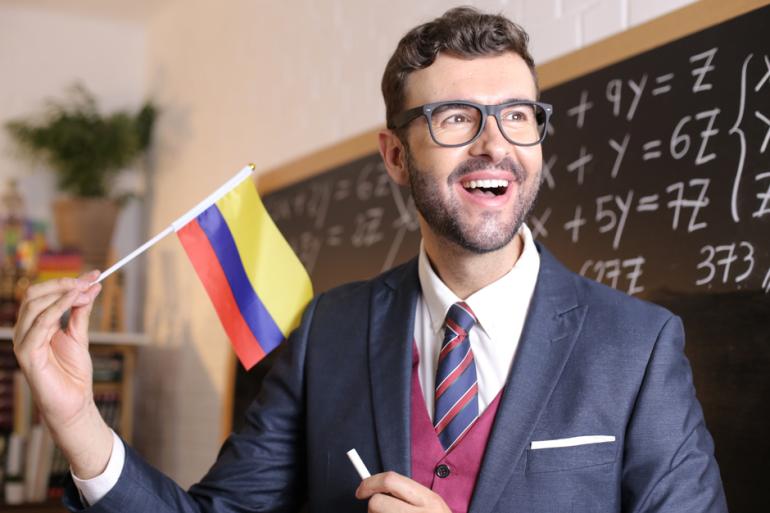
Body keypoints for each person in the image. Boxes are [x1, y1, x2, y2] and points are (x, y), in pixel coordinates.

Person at [12, 7, 727, 513]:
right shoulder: (329, 331)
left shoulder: (638, 346)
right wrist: (80, 425)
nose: (494, 144)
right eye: (455, 118)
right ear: (393, 154)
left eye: (517, 115)